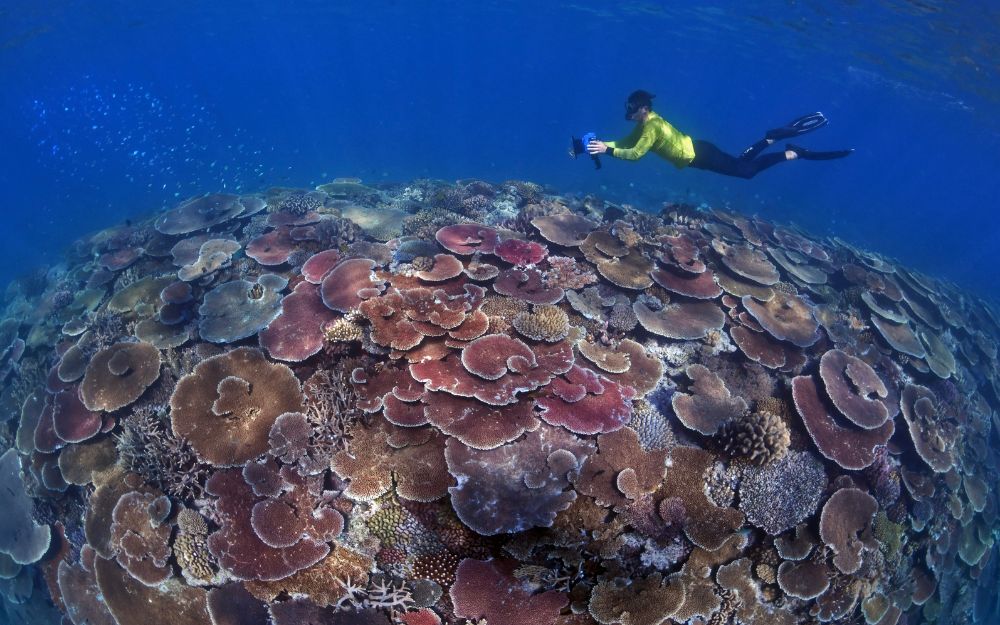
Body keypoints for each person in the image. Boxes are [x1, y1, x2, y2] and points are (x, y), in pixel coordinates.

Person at [587, 90, 852, 179]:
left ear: (643, 108)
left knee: (746, 173)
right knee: (740, 164)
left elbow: (635, 155)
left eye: (631, 108)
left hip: (700, 156)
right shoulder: (648, 123)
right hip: (700, 150)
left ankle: (792, 152)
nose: (628, 111)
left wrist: (607, 150)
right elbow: (627, 143)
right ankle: (771, 139)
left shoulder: (652, 126)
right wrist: (603, 144)